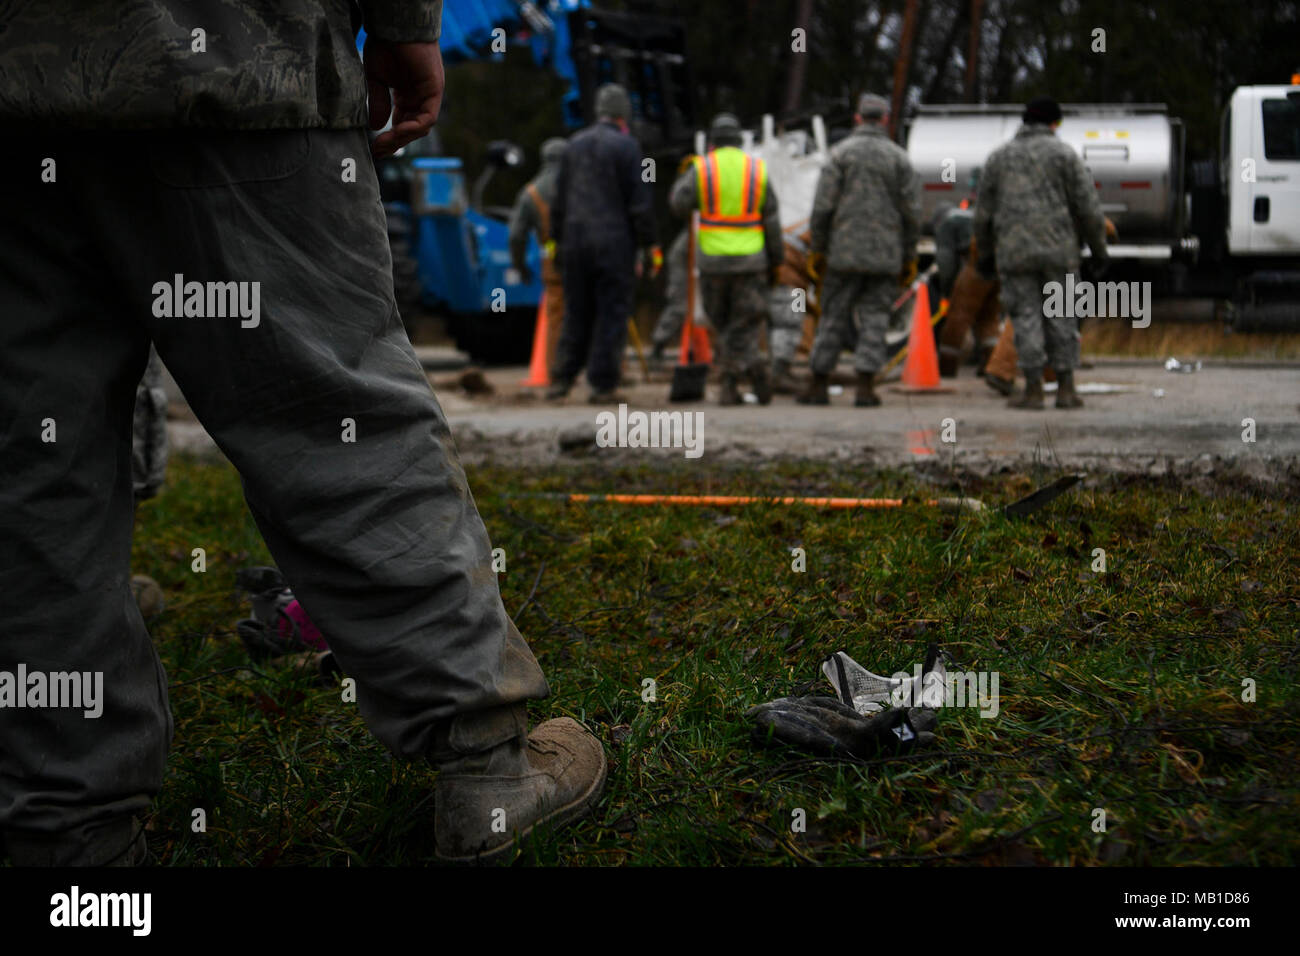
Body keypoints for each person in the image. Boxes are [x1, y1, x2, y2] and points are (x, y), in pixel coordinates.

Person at [0, 0, 605, 866]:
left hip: (18, 87)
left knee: (30, 463)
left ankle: (64, 823)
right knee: (334, 412)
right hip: (236, 60)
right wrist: (402, 21)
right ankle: (486, 769)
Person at [973, 96, 1109, 409]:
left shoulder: (999, 158)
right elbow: (1088, 208)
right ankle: (1065, 388)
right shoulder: (1065, 155)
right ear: (1054, 123)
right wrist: (1099, 250)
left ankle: (1033, 389)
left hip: (1015, 252)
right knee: (1062, 315)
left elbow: (983, 213)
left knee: (1025, 317)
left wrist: (984, 253)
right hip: (1059, 251)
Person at [799, 93, 921, 407]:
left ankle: (818, 384)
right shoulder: (899, 159)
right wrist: (909, 255)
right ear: (885, 119)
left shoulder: (839, 155)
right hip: (885, 254)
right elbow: (911, 214)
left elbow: (822, 208)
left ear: (857, 119)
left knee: (833, 317)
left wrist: (818, 249)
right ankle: (865, 387)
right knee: (876, 318)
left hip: (843, 252)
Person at [547, 83, 659, 404]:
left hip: (574, 242)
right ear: (623, 116)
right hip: (613, 245)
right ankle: (602, 383)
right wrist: (649, 244)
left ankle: (561, 378)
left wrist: (557, 242)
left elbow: (559, 203)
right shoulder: (626, 147)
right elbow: (639, 204)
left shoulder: (572, 146)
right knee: (612, 312)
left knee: (577, 310)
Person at [669, 113, 783, 405]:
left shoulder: (702, 168)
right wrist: (776, 259)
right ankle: (755, 370)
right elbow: (771, 219)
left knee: (723, 323)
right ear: (739, 141)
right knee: (743, 323)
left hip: (713, 261)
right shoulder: (757, 170)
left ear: (712, 143)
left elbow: (678, 204)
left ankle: (730, 385)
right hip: (751, 260)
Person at [508, 136, 569, 375]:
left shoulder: (530, 193)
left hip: (553, 260)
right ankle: (608, 372)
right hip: (587, 256)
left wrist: (520, 266)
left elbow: (515, 236)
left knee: (556, 315)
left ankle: (557, 373)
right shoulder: (583, 184)